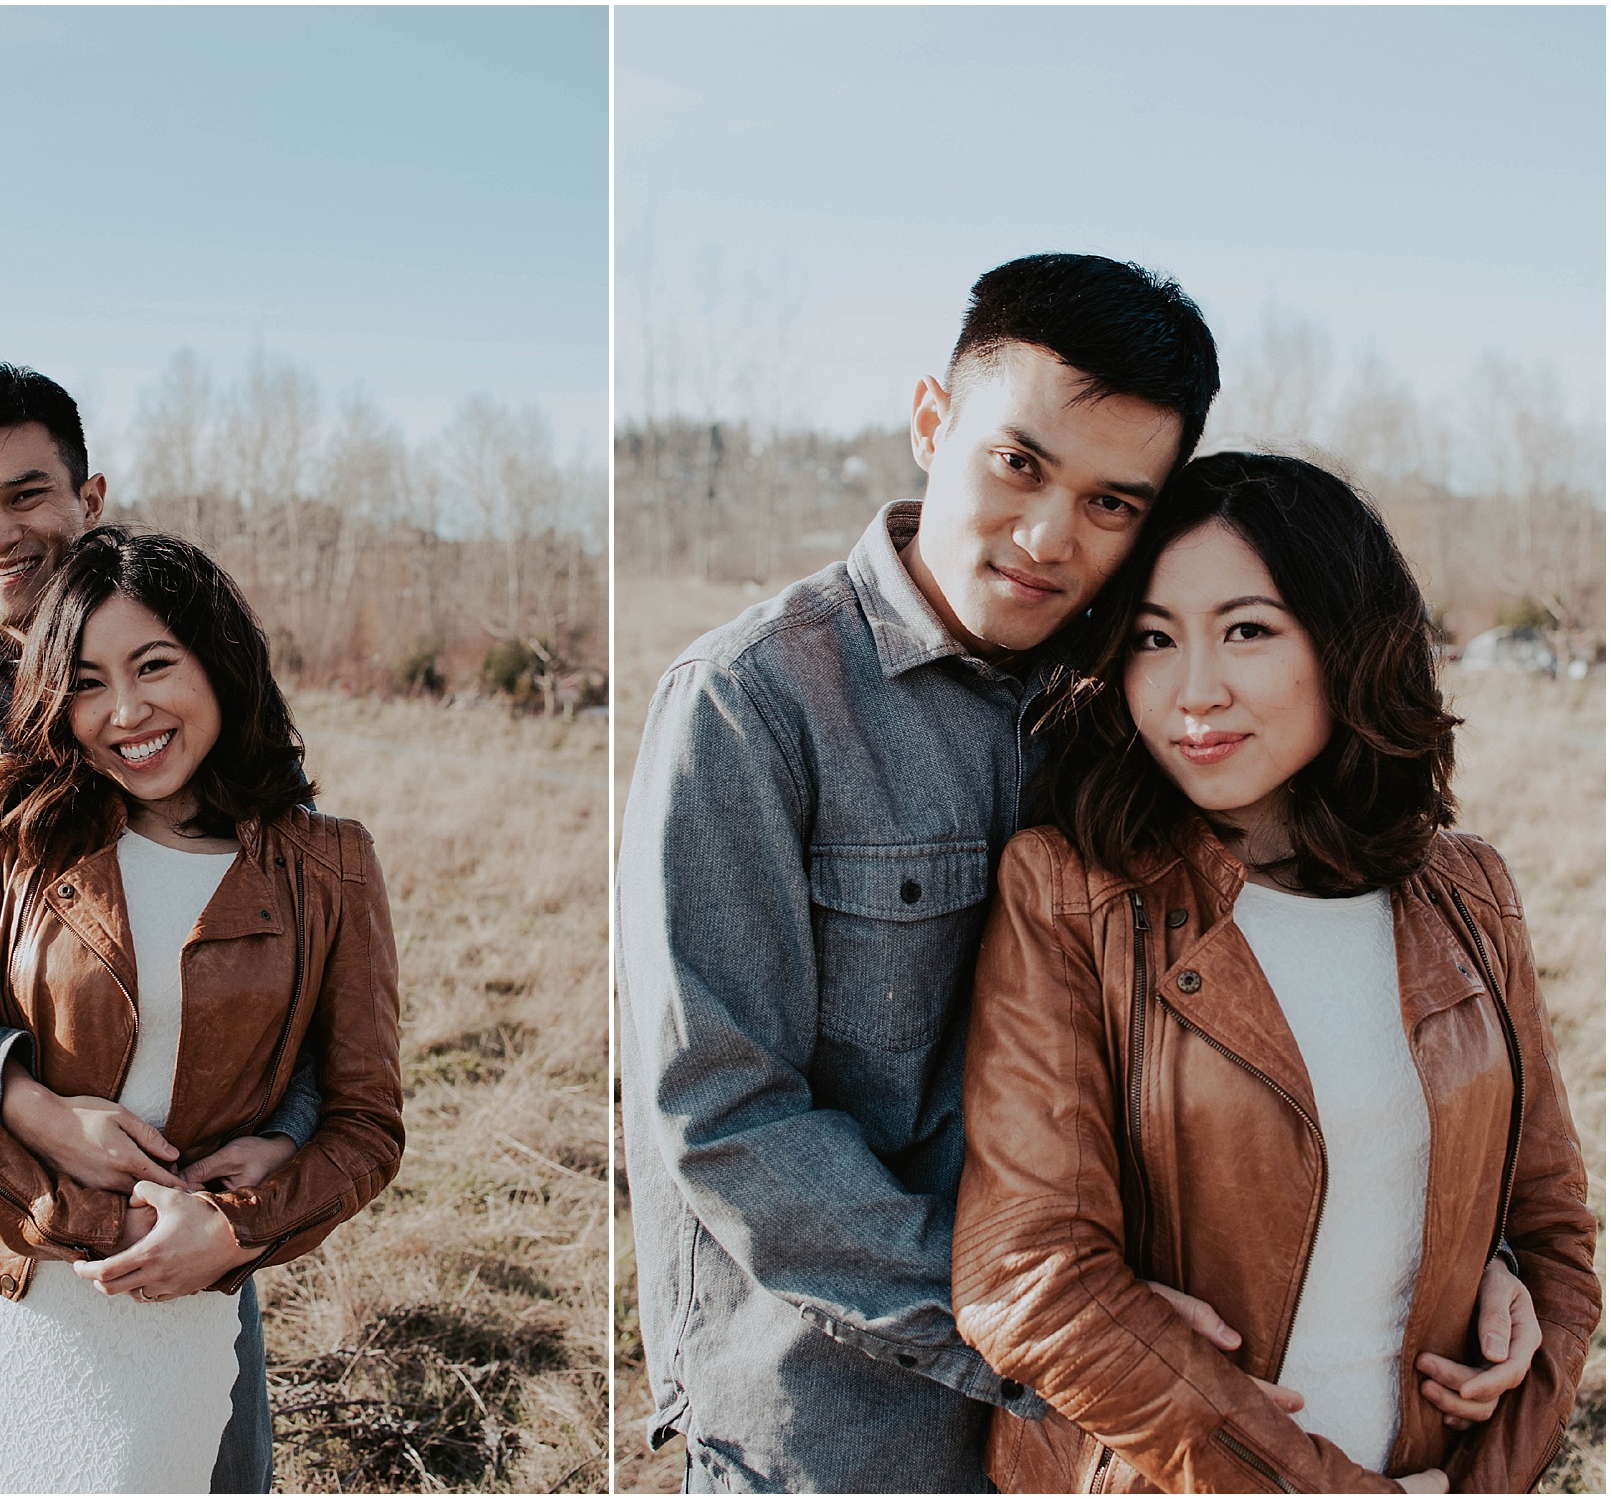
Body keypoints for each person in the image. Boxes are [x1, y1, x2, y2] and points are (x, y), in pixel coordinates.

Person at [616, 255, 1540, 1492]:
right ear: (931, 421)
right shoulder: (752, 704)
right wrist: (1052, 1329)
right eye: (1018, 464)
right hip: (846, 1421)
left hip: (1128, 1432)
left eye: (1113, 503)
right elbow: (723, 1116)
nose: (1050, 536)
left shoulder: (1128, 695)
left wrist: (1430, 1245)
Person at [952, 453, 1597, 1493]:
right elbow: (1026, 1278)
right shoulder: (1070, 895)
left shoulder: (1467, 892)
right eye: (1153, 638)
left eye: (1245, 629)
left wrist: (1510, 1311)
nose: (1192, 690)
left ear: (1343, 643)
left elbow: (1554, 1227)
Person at [0, 364, 319, 1491]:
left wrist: (271, 1154)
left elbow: (284, 956)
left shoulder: (189, 687)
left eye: (27, 492)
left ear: (87, 497)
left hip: (180, 1213)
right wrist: (39, 1106)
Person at [0, 526, 405, 1491]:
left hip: (178, 1301)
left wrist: (240, 1224)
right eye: (85, 680)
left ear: (221, 665)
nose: (125, 710)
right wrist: (75, 1210)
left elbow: (367, 1125)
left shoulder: (332, 867)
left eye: (155, 664)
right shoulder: (13, 825)